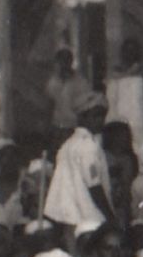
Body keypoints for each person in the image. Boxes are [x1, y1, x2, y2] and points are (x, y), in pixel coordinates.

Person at [44, 89, 116, 231]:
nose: (100, 121)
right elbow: (94, 185)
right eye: (95, 116)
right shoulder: (88, 146)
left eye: (102, 116)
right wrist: (111, 217)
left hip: (71, 218)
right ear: (82, 118)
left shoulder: (68, 144)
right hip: (90, 216)